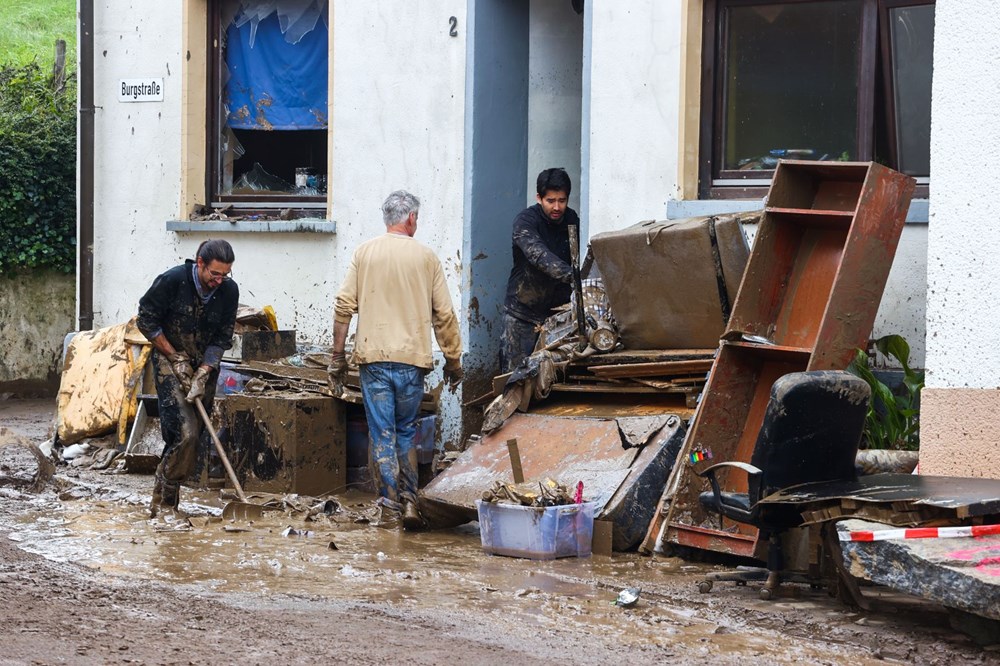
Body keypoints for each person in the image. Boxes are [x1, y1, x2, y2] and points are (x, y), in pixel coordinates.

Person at [329, 191, 463, 530]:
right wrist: (453, 360)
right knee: (406, 432)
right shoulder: (427, 258)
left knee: (383, 434)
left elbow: (343, 306)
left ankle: (388, 508)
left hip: (373, 359)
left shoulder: (364, 253)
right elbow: (444, 315)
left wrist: (337, 357)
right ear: (411, 218)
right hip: (411, 361)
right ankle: (408, 502)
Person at [137, 240, 239, 518]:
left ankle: (163, 498)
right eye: (214, 274)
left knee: (197, 437)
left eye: (225, 275)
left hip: (204, 365)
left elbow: (222, 338)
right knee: (185, 433)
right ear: (200, 263)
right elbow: (145, 320)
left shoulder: (228, 291)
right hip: (169, 360)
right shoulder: (172, 281)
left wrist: (205, 371)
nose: (219, 280)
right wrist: (175, 357)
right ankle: (166, 504)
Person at [501, 167, 580, 372]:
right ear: (539, 198)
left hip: (558, 316)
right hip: (522, 314)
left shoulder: (572, 220)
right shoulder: (525, 221)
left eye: (562, 201)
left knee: (553, 377)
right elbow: (538, 255)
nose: (556, 207)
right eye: (550, 201)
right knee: (513, 378)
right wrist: (573, 276)